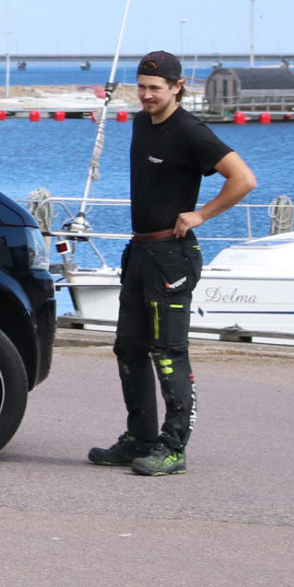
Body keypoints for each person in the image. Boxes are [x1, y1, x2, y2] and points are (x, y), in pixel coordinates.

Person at [89, 50, 256, 476]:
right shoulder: (142, 123)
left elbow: (243, 179)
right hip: (140, 251)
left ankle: (173, 446)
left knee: (169, 352)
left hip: (172, 257)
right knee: (129, 348)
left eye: (155, 89)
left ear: (177, 87)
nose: (146, 95)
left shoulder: (190, 131)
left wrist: (201, 214)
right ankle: (140, 438)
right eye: (141, 87)